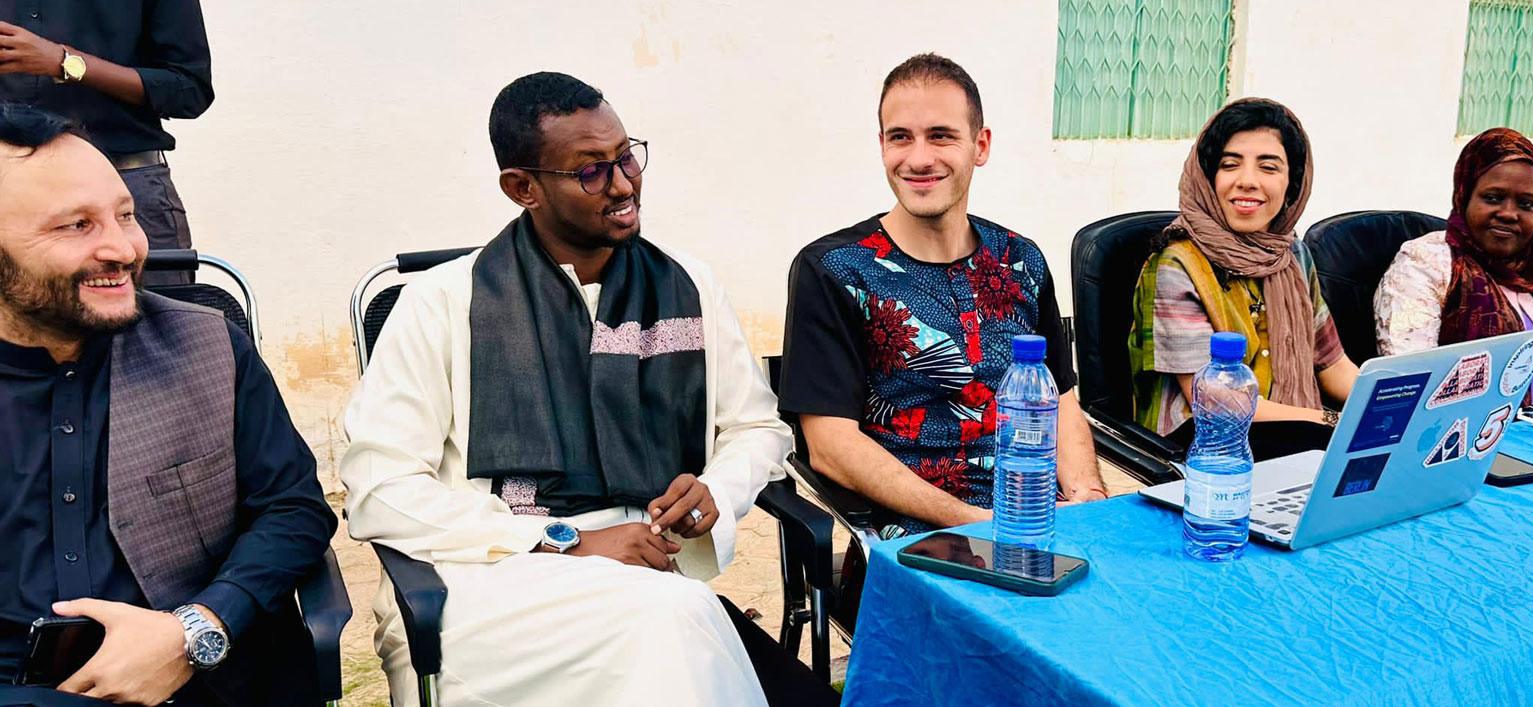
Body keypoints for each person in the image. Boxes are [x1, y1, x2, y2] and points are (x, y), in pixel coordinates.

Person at [340, 73, 831, 707]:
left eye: (627, 157)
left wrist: (717, 488)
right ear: (523, 188)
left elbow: (756, 428)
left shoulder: (688, 285)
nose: (623, 184)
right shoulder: (442, 303)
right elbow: (380, 488)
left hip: (652, 569)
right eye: (591, 171)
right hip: (489, 582)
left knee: (673, 619)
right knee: (674, 622)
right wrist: (567, 542)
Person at [0, 102, 334, 705]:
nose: (123, 249)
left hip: (197, 684)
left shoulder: (208, 348)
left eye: (126, 215)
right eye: (77, 225)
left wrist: (197, 629)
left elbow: (293, 509)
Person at [780, 53, 1107, 536]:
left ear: (980, 145)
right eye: (900, 137)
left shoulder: (1021, 261)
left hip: (1037, 516)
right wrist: (977, 523)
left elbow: (1058, 399)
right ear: (881, 145)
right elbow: (831, 447)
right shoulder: (836, 269)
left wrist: (1088, 500)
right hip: (915, 540)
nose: (918, 159)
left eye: (940, 136)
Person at [1128, 97, 1359, 459]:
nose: (1247, 181)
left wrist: (1393, 404)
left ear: (1292, 183)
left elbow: (1333, 365)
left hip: (1296, 430)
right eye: (1230, 165)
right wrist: (1331, 420)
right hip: (1201, 444)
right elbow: (1215, 398)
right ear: (1208, 178)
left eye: (1268, 167)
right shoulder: (1176, 263)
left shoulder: (1293, 256)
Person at [1374, 127, 1533, 405]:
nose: (1509, 214)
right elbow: (1409, 372)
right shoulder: (1425, 262)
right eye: (1493, 198)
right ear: (1464, 195)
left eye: (1527, 204)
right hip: (1470, 428)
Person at [0, 2, 214, 285]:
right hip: (7, 187)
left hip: (125, 185)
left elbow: (189, 90)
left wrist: (66, 63)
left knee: (157, 311)